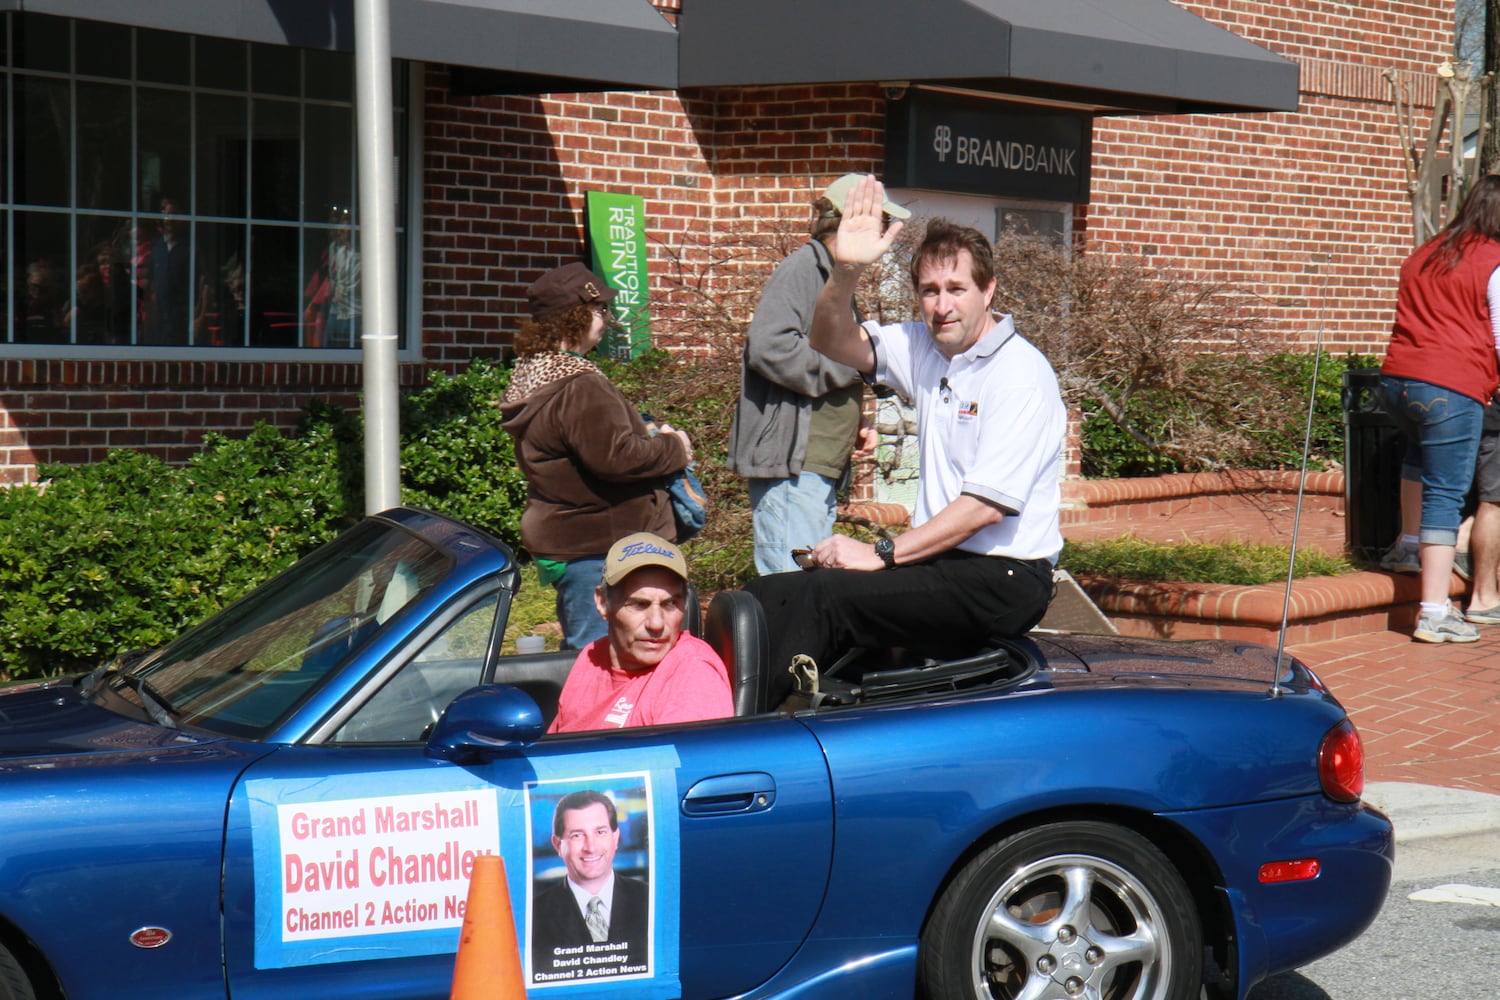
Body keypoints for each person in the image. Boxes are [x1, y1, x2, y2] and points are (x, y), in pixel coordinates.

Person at [743, 176, 1064, 691]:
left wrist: (881, 554)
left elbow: (984, 506)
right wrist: (846, 270)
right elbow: (828, 340)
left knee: (823, 599)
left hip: (1005, 577)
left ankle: (758, 738)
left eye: (957, 290)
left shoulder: (1020, 374)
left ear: (988, 290)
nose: (942, 307)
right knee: (771, 593)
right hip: (943, 564)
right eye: (930, 292)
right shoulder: (924, 347)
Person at [500, 263, 694, 649]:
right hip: (602, 550)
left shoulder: (536, 375)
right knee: (600, 661)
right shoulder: (578, 384)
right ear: (576, 316)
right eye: (599, 310)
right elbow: (617, 457)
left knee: (596, 657)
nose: (605, 319)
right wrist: (676, 447)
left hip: (577, 544)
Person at [727, 173, 895, 574]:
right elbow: (770, 347)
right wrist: (853, 366)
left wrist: (855, 419)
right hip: (793, 471)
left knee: (812, 587)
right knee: (790, 587)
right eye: (881, 220)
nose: (886, 232)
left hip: (815, 469)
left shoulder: (833, 276)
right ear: (848, 219)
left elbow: (827, 359)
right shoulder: (803, 269)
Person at [1376, 173, 1500, 643]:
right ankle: (1433, 612)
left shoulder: (1425, 252)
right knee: (1446, 496)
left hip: (1398, 382)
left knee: (1418, 457)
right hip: (1453, 384)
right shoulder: (1494, 261)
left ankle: (1407, 548)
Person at [547, 531, 731, 732]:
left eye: (670, 604)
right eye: (639, 604)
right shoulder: (590, 659)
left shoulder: (692, 673)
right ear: (602, 602)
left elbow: (682, 760)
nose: (656, 623)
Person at [530, 789, 649, 981]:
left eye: (600, 832)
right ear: (557, 844)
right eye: (577, 835)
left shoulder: (649, 900)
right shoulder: (534, 915)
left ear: (615, 838)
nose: (591, 847)